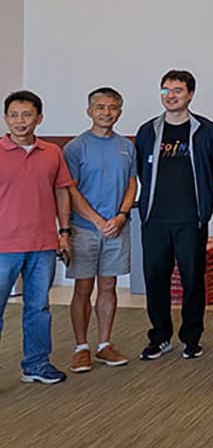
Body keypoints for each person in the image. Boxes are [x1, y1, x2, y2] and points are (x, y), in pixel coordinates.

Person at [134, 70, 213, 361]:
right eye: (165, 90)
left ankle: (191, 337)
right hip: (154, 220)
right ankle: (159, 336)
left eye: (178, 90)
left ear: (191, 95)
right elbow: (140, 171)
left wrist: (202, 205)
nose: (171, 95)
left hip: (190, 219)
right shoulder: (148, 131)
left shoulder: (205, 130)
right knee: (155, 278)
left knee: (193, 279)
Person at [63, 87, 138, 372]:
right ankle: (81, 347)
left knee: (109, 286)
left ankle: (104, 344)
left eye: (113, 107)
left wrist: (120, 216)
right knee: (83, 287)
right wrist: (96, 220)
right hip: (84, 229)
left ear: (120, 111)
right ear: (89, 111)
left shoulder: (126, 146)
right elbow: (69, 190)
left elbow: (132, 184)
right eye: (100, 107)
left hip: (117, 228)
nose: (107, 112)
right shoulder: (75, 147)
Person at [0, 90, 72, 384]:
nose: (20, 121)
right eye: (13, 115)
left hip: (43, 244)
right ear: (6, 118)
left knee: (39, 308)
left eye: (27, 114)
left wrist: (64, 232)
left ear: (39, 118)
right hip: (4, 245)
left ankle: (36, 364)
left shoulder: (53, 152)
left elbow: (61, 191)